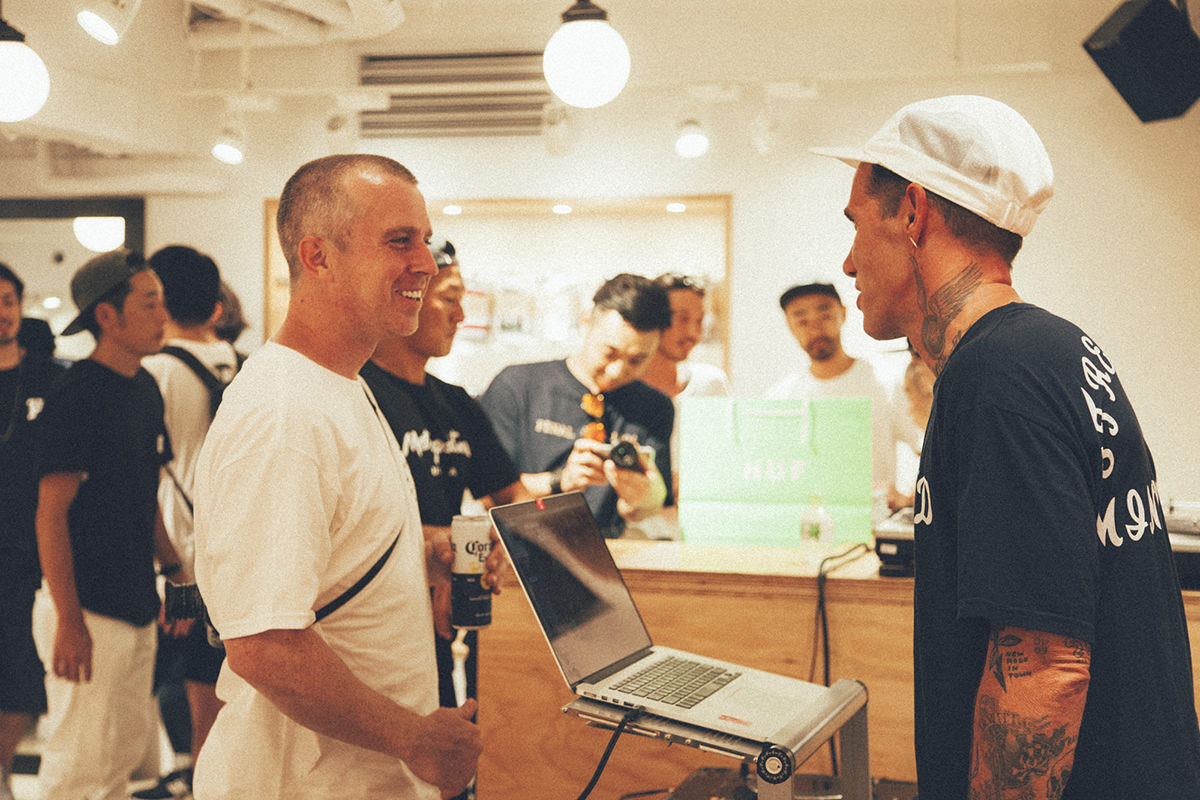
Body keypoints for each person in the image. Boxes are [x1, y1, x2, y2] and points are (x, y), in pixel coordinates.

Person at [815, 94, 1200, 798]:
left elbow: (1045, 670)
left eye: (856, 225)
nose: (847, 263)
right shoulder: (1051, 349)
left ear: (913, 212)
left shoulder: (999, 376)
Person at [191, 154, 492, 799]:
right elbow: (265, 644)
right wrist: (414, 739)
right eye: (399, 241)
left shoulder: (342, 386)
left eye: (425, 240)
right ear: (318, 256)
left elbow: (329, 552)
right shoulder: (282, 412)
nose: (426, 263)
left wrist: (422, 556)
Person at [360, 240, 528, 799]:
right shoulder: (355, 394)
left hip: (436, 627)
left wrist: (499, 545)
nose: (460, 314)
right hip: (366, 630)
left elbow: (512, 500)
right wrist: (430, 541)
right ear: (407, 296)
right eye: (449, 298)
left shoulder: (455, 402)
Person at [32, 249, 186, 800]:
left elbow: (144, 494)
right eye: (149, 303)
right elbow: (51, 514)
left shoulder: (145, 388)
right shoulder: (77, 394)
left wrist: (175, 570)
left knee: (120, 760)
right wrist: (70, 621)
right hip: (86, 607)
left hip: (135, 602)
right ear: (106, 316)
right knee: (81, 768)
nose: (162, 315)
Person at [138, 245, 241, 799]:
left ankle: (190, 781)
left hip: (177, 560)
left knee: (176, 692)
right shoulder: (242, 363)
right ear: (216, 306)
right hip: (234, 555)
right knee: (225, 699)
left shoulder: (154, 371)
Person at [479, 273, 673, 539]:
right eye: (609, 353)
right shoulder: (517, 385)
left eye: (637, 360)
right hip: (520, 547)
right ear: (585, 323)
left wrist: (641, 499)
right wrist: (561, 480)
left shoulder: (654, 407)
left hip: (609, 549)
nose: (617, 371)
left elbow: (647, 509)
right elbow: (487, 496)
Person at [0, 264, 67, 800]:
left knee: (22, 664)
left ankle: (1, 768)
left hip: (28, 545)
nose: (2, 313)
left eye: (7, 301)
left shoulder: (49, 377)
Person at [766, 282, 912, 498]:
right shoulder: (780, 398)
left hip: (872, 515)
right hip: (805, 515)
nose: (815, 329)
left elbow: (927, 446)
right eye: (802, 321)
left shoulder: (886, 382)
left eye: (824, 316)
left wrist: (910, 499)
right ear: (789, 325)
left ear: (843, 313)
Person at [640, 273, 730, 498]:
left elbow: (728, 461)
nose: (692, 333)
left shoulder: (711, 384)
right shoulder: (624, 390)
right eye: (681, 319)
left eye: (699, 321)